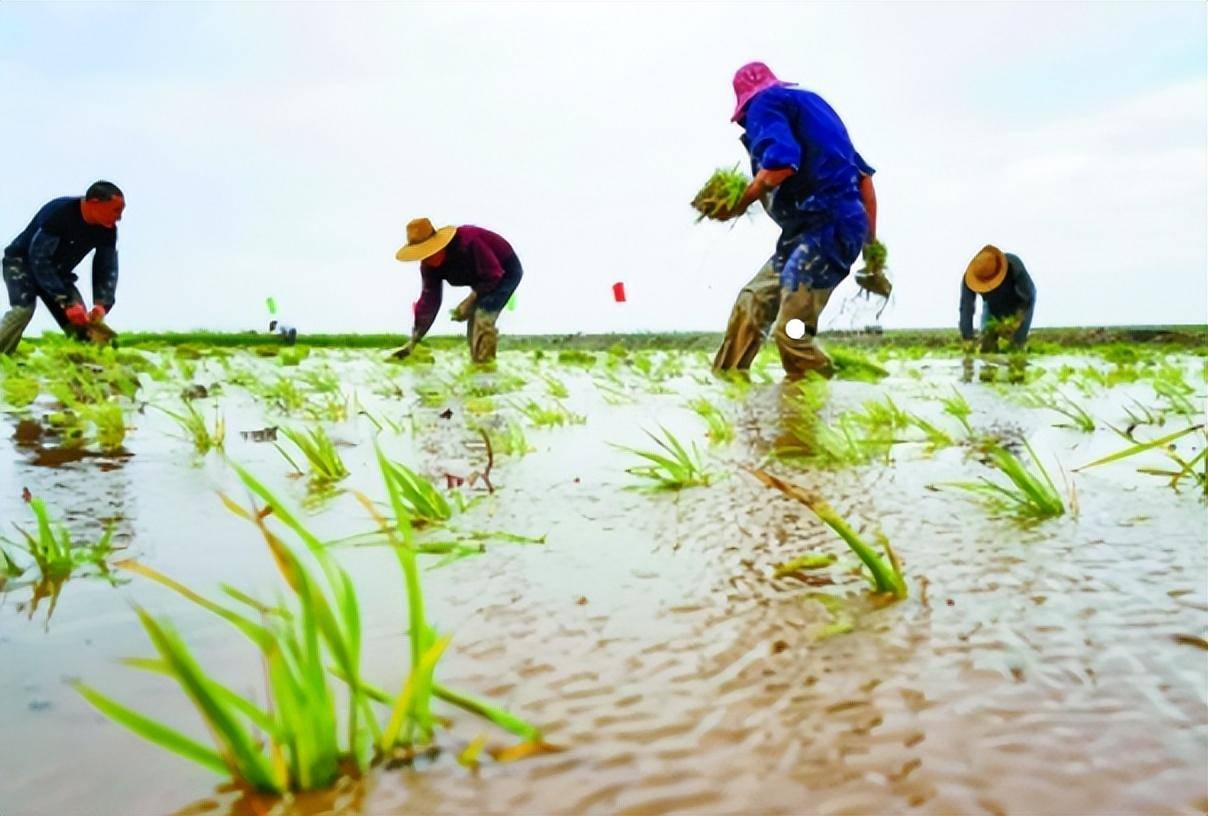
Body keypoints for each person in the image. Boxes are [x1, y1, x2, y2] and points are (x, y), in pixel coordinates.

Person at [711, 62, 877, 380]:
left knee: (792, 332)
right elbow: (865, 181)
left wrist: (738, 203)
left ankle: (819, 403)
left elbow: (781, 164)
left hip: (828, 228)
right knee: (752, 302)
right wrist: (869, 245)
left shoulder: (765, 104)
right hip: (806, 233)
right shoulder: (813, 110)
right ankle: (728, 390)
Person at [1, 181, 124, 354]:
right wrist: (66, 302)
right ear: (95, 204)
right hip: (23, 264)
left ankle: (87, 366)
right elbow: (39, 258)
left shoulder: (107, 230)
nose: (119, 217)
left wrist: (101, 305)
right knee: (22, 311)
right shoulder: (60, 214)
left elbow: (106, 267)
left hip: (58, 274)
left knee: (83, 324)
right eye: (115, 210)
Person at [392, 217, 523, 364]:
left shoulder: (468, 243)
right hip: (482, 279)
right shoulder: (429, 267)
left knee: (482, 315)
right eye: (423, 255)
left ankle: (486, 367)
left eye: (430, 252)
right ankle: (478, 363)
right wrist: (414, 341)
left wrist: (469, 301)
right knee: (473, 324)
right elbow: (429, 301)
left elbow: (493, 276)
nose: (428, 258)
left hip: (504, 271)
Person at [959, 245, 1036, 353]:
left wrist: (1019, 329)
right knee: (987, 346)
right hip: (991, 308)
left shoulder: (1014, 266)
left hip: (1017, 304)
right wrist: (967, 337)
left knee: (1016, 348)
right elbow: (966, 308)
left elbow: (1029, 297)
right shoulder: (972, 276)